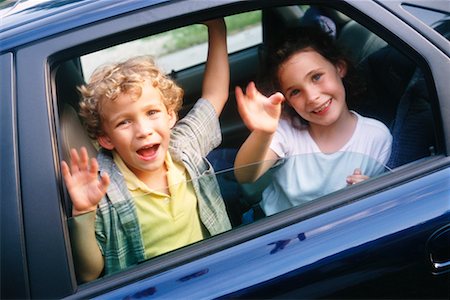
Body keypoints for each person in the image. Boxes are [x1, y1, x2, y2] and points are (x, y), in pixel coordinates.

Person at [61, 19, 231, 282]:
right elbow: (89, 272)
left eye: (152, 113)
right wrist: (84, 212)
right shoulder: (102, 188)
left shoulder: (183, 146)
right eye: (124, 122)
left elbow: (215, 96)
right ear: (106, 138)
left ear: (171, 115)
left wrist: (217, 29)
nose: (143, 130)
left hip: (218, 276)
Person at [234, 27, 392, 216]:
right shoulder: (286, 129)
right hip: (275, 231)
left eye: (316, 77)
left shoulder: (376, 137)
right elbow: (245, 175)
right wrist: (263, 133)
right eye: (295, 91)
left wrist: (368, 190)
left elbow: (380, 204)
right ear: (288, 101)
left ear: (339, 68)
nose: (312, 97)